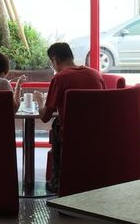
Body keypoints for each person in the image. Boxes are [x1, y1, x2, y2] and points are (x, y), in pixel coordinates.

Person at [39, 41, 104, 194]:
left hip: (70, 134)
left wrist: (39, 100)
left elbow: (45, 116)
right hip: (97, 132)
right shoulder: (95, 74)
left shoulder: (60, 78)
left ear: (55, 60)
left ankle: (57, 182)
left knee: (56, 124)